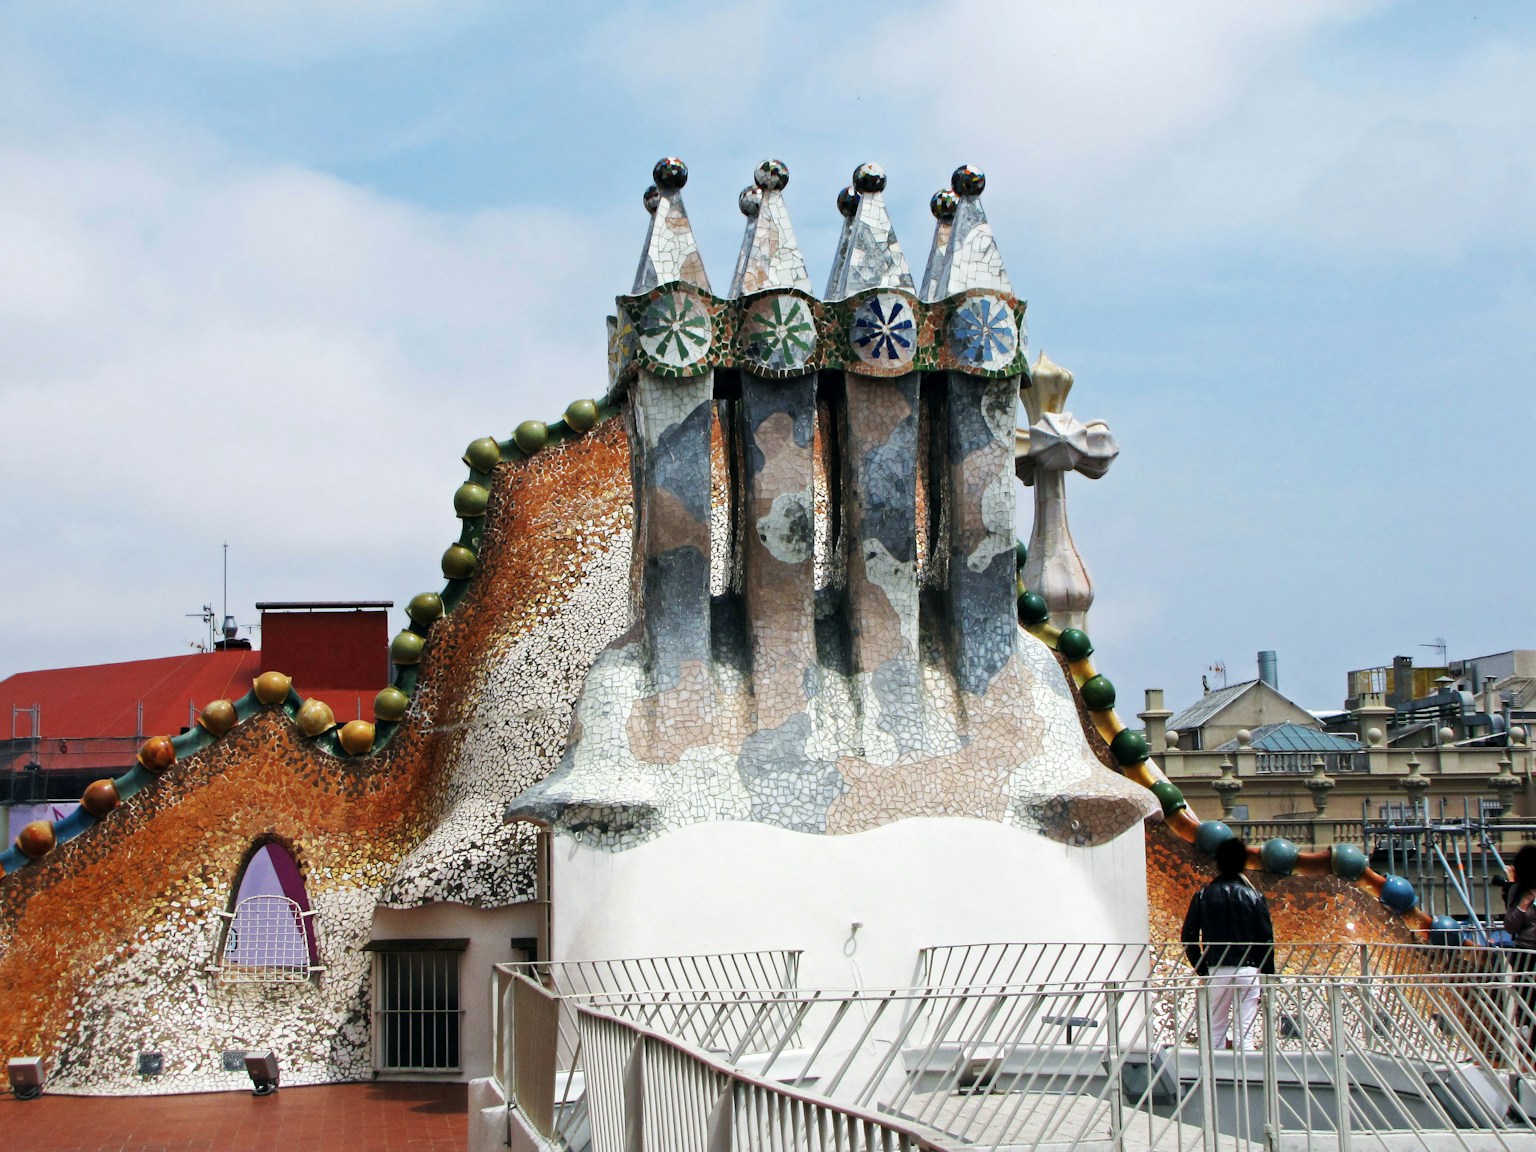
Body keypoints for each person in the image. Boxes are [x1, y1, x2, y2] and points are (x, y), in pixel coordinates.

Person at [1181, 836, 1275, 1050]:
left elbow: (1188, 936)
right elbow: (1266, 939)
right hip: (1248, 968)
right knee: (1246, 1031)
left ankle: (1215, 1076)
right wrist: (1267, 973)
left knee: (1215, 1029)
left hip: (1217, 967)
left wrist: (1202, 967)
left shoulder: (1203, 895)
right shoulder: (1254, 896)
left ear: (1219, 862)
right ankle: (1247, 1077)